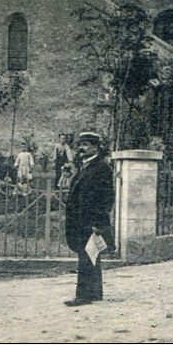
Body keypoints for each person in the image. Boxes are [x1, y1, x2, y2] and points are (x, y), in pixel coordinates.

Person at [63, 131, 115, 306]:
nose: (81, 148)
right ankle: (95, 293)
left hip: (90, 221)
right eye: (80, 145)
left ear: (95, 147)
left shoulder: (101, 168)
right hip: (80, 220)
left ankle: (83, 295)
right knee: (89, 255)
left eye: (85, 145)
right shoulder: (85, 167)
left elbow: (107, 197)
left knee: (87, 256)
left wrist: (98, 223)